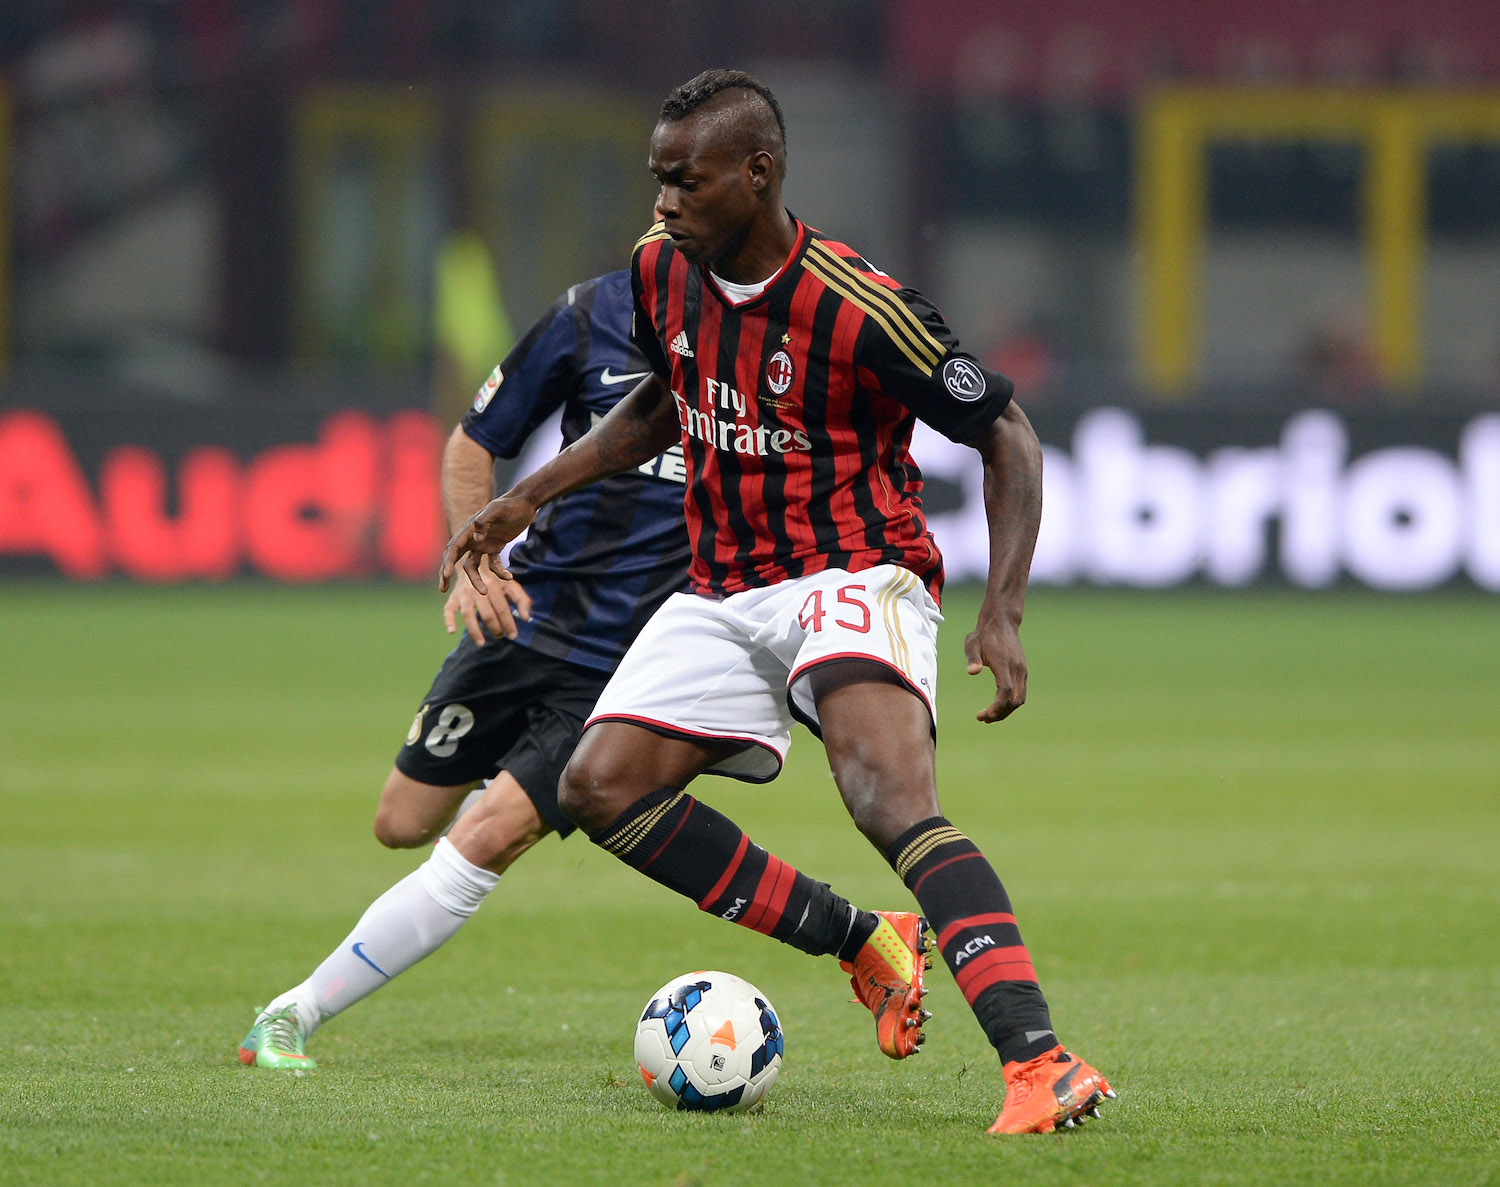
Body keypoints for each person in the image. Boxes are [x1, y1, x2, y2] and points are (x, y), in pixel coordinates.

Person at [441, 70, 1114, 1135]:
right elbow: (666, 404)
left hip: (854, 568)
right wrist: (525, 496)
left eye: (685, 181)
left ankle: (1040, 1060)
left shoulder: (859, 307)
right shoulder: (661, 272)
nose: (663, 202)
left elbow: (1009, 435)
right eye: (658, 180)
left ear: (756, 175)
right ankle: (864, 941)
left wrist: (1005, 609)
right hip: (722, 583)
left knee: (886, 796)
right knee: (600, 785)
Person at [237, 271, 694, 1069]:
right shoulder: (591, 314)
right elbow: (475, 438)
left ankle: (290, 1012)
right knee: (402, 821)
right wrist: (477, 558)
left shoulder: (765, 340)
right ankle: (520, 789)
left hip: (624, 667)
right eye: (665, 203)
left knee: (487, 834)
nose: (674, 219)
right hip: (526, 614)